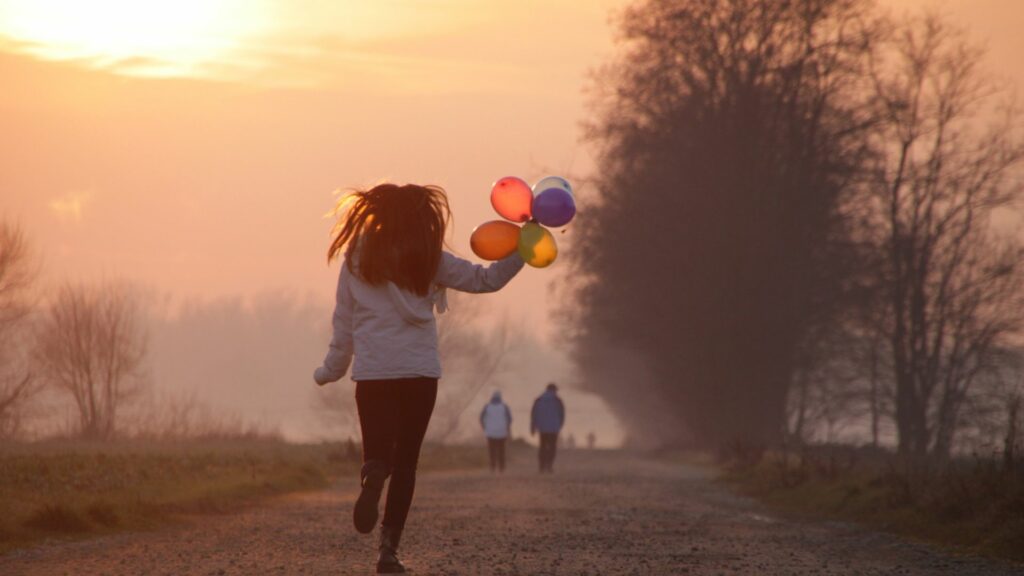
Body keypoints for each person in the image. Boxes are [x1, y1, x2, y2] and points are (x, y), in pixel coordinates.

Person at [313, 183, 524, 574]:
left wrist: (331, 370)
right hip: (420, 373)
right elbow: (486, 279)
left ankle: (374, 472)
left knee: (379, 453)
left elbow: (343, 324)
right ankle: (388, 551)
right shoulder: (429, 259)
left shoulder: (357, 259)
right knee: (407, 464)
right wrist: (523, 250)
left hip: (374, 374)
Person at [530, 383, 565, 473]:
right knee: (552, 447)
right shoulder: (558, 400)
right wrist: (560, 425)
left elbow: (534, 414)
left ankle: (541, 466)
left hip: (542, 428)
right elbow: (562, 414)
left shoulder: (539, 399)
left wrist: (533, 427)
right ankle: (549, 465)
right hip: (554, 428)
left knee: (542, 446)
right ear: (554, 390)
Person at [479, 391, 512, 472]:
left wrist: (484, 427)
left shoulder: (487, 406)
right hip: (502, 432)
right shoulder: (504, 406)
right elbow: (509, 419)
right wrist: (507, 428)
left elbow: (481, 418)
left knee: (492, 450)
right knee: (501, 450)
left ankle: (492, 466)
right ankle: (502, 467)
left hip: (490, 432)